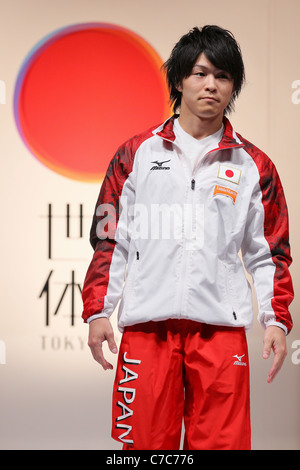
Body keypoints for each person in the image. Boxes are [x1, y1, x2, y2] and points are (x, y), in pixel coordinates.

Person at [82, 25, 294, 450]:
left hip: (220, 332)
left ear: (233, 85)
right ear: (179, 80)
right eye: (199, 73)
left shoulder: (255, 165)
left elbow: (269, 252)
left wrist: (276, 320)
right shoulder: (136, 154)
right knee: (144, 451)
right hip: (147, 328)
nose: (211, 85)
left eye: (222, 76)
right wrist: (98, 311)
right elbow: (110, 238)